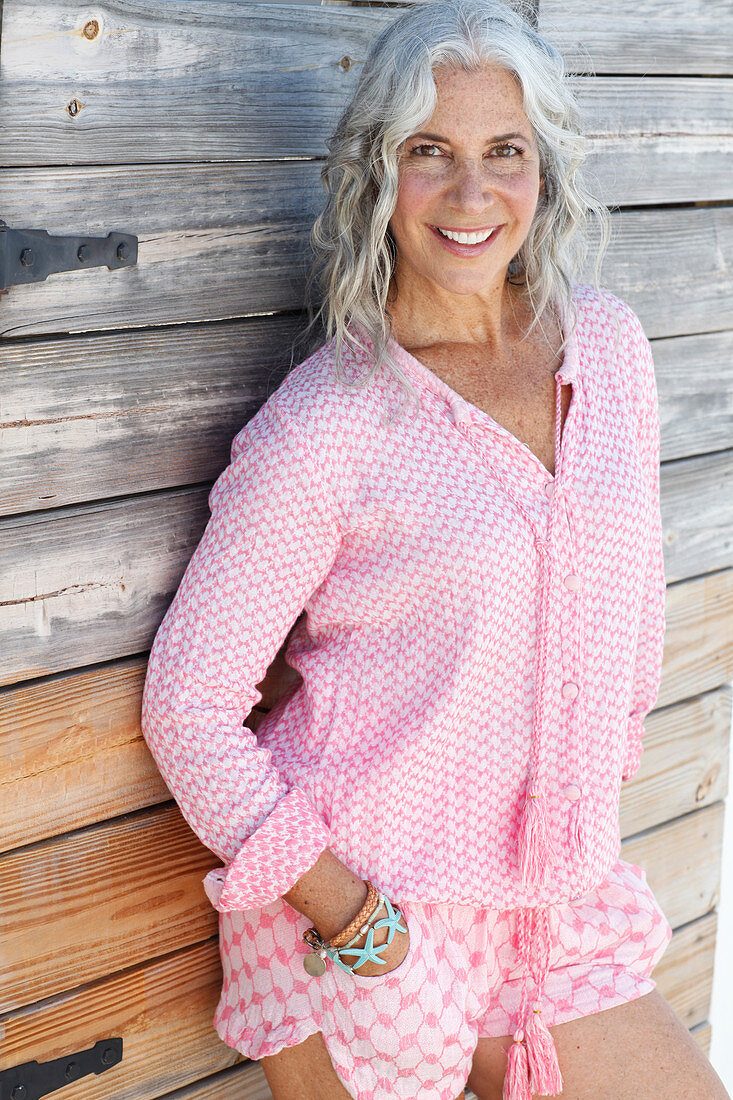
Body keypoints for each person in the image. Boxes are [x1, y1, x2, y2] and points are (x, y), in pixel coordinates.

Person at [140, 2, 731, 1098]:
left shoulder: (606, 347)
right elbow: (187, 703)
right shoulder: (329, 423)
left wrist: (588, 791)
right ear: (378, 173)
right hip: (369, 915)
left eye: (503, 151)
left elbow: (632, 607)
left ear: (541, 166)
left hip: (555, 900)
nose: (472, 195)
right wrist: (350, 911)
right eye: (430, 153)